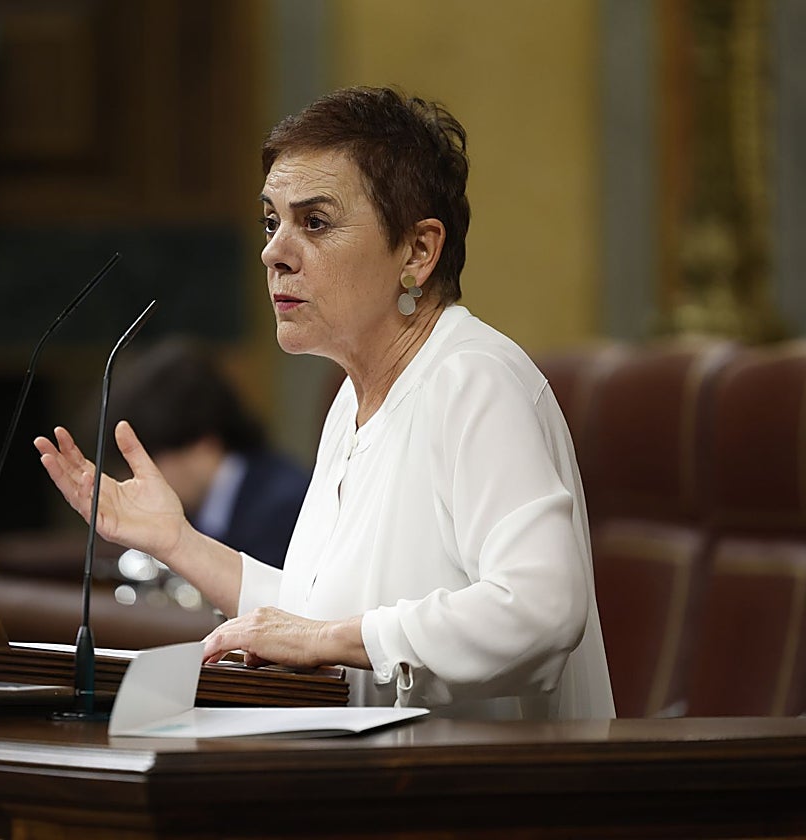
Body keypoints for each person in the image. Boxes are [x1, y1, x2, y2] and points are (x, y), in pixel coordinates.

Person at [35, 85, 615, 719]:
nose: (273, 252)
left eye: (314, 222)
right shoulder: (351, 397)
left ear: (418, 251)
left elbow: (541, 610)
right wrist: (177, 540)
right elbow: (318, 616)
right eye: (270, 221)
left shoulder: (473, 379)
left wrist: (321, 639)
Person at [99, 335, 310, 570]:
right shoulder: (200, 509)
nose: (133, 480)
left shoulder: (284, 508)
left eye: (146, 462)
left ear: (203, 445)